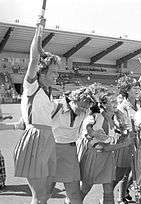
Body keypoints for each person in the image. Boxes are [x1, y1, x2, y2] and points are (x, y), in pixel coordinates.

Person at [13, 16, 61, 204]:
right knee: (39, 196)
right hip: (35, 139)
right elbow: (34, 57)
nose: (57, 76)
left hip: (49, 139)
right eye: (54, 72)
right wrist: (39, 29)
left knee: (46, 194)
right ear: (42, 72)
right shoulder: (31, 85)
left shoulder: (48, 91)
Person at [48, 87, 94, 204]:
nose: (83, 110)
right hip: (51, 151)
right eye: (81, 106)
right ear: (73, 100)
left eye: (86, 107)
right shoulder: (56, 106)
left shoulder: (85, 110)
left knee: (75, 196)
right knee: (45, 193)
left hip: (70, 152)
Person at [76, 99, 116, 204]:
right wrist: (94, 133)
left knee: (108, 187)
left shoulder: (111, 117)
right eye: (112, 101)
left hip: (107, 156)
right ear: (103, 105)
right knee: (86, 187)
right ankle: (70, 201)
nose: (115, 103)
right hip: (94, 155)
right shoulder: (93, 117)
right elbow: (88, 129)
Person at [113, 75, 141, 203]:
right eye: (133, 87)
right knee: (121, 172)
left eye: (138, 87)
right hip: (126, 142)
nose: (137, 89)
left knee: (132, 171)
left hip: (138, 141)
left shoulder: (140, 104)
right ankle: (108, 193)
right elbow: (121, 125)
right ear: (127, 90)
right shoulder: (122, 106)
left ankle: (122, 195)